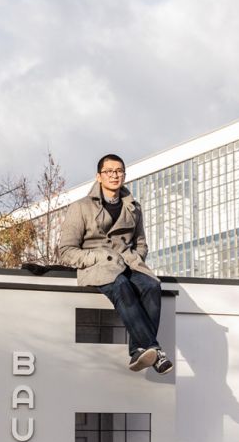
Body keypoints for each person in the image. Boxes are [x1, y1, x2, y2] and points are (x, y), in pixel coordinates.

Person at [58, 154, 173, 374]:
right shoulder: (80, 207)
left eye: (119, 171)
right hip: (98, 267)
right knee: (121, 285)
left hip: (129, 264)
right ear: (99, 176)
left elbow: (141, 243)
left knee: (151, 285)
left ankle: (138, 350)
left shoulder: (133, 207)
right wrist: (97, 257)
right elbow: (66, 251)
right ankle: (155, 352)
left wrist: (136, 259)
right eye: (109, 171)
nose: (114, 175)